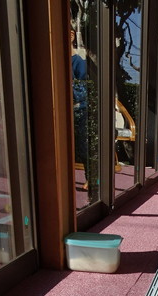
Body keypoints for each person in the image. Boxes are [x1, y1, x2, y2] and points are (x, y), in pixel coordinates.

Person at [71, 29, 89, 191]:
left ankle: (91, 177)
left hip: (78, 109)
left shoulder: (78, 62)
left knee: (83, 145)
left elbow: (83, 89)